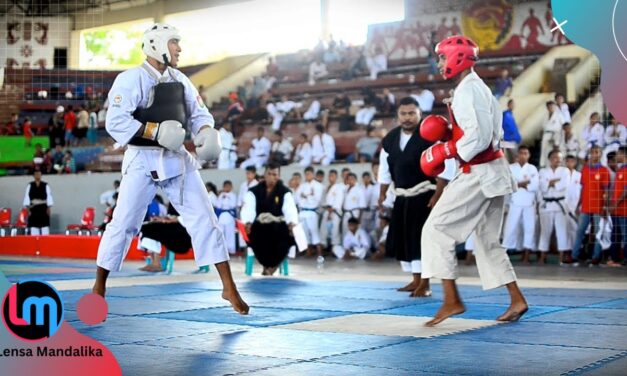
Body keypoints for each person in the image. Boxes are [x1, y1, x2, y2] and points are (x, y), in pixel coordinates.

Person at [92, 23, 248, 315]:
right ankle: (99, 285)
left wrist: (204, 132)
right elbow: (115, 121)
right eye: (175, 42)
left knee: (205, 218)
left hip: (177, 159)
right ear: (156, 44)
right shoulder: (130, 79)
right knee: (123, 224)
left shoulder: (181, 80)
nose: (179, 48)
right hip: (141, 160)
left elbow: (200, 114)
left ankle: (229, 287)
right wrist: (154, 131)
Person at [420, 35, 528, 326]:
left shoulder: (469, 91)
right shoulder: (473, 88)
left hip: (479, 173)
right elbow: (477, 133)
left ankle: (451, 300)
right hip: (491, 172)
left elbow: (478, 139)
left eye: (442, 57)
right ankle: (517, 299)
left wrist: (445, 149)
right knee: (487, 241)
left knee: (435, 229)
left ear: (457, 57)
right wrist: (450, 137)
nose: (440, 63)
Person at [380, 97, 448, 297]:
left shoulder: (431, 136)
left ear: (420, 114)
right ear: (397, 115)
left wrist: (438, 193)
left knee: (421, 240)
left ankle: (425, 283)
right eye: (403, 114)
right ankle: (415, 279)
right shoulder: (390, 139)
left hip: (424, 194)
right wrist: (382, 193)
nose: (407, 118)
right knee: (404, 239)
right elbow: (385, 168)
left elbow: (445, 167)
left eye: (411, 113)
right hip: (401, 195)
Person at [241, 163, 299, 275]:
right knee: (255, 236)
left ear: (279, 176)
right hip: (260, 226)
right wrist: (248, 222)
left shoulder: (284, 191)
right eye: (270, 174)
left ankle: (273, 266)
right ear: (265, 174)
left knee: (288, 236)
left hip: (278, 227)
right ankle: (266, 265)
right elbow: (249, 208)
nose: (272, 177)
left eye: (275, 174)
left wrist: (291, 223)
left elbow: (290, 208)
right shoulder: (254, 191)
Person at [566, 145, 610, 266]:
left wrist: (605, 207)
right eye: (592, 152)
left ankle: (596, 257)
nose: (594, 154)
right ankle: (574, 256)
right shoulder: (585, 169)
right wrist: (578, 204)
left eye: (597, 152)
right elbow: (583, 188)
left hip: (598, 207)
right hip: (585, 207)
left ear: (600, 154)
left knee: (598, 232)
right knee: (580, 231)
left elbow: (606, 191)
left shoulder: (604, 170)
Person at [502, 145, 539, 263]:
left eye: (526, 153)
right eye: (521, 153)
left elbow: (534, 186)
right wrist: (523, 184)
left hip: (529, 203)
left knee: (529, 228)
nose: (523, 155)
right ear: (517, 155)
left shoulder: (532, 168)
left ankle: (526, 256)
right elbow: (509, 184)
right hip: (515, 202)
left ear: (529, 155)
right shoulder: (511, 168)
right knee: (510, 228)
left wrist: (518, 184)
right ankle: (504, 256)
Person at [538, 150, 571, 264]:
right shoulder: (543, 171)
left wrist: (550, 182)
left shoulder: (565, 171)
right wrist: (553, 182)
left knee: (561, 231)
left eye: (560, 158)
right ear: (550, 158)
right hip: (546, 204)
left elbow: (564, 185)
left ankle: (561, 257)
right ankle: (543, 256)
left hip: (559, 204)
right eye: (555, 157)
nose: (558, 160)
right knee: (545, 231)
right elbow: (542, 186)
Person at [295, 166, 325, 258]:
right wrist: (307, 196)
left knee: (314, 231)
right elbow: (297, 198)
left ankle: (320, 252)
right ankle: (308, 251)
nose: (307, 175)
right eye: (306, 174)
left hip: (312, 211)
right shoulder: (302, 186)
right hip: (303, 210)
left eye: (309, 174)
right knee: (304, 232)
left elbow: (317, 199)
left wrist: (306, 196)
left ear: (313, 174)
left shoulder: (318, 186)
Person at [608, 146, 627, 267]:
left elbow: (625, 191)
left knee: (625, 236)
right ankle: (615, 259)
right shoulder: (620, 170)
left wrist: (614, 204)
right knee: (615, 236)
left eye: (618, 154)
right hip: (616, 210)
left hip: (624, 210)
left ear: (624, 154)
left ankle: (625, 259)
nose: (617, 156)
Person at [319, 169, 345, 252]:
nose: (331, 178)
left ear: (336, 177)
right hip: (327, 211)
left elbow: (338, 201)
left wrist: (332, 210)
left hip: (335, 212)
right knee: (323, 231)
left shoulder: (339, 187)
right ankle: (324, 248)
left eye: (333, 176)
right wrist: (327, 209)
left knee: (335, 231)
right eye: (330, 176)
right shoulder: (326, 188)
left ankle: (335, 249)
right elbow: (323, 201)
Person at [23, 170, 54, 235]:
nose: (38, 176)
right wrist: (28, 208)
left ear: (41, 175)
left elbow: (49, 196)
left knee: (44, 227)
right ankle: (35, 242)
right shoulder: (30, 185)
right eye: (36, 174)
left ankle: (45, 242)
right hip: (33, 208)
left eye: (39, 174)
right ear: (33, 176)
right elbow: (27, 196)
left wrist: (49, 208)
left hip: (43, 208)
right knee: (34, 227)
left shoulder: (45, 185)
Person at [215, 181, 238, 255]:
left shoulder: (233, 195)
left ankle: (231, 250)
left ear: (231, 187)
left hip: (230, 215)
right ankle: (222, 251)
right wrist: (222, 197)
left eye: (228, 186)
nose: (227, 188)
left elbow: (233, 205)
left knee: (230, 234)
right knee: (221, 233)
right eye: (225, 186)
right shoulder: (221, 195)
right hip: (222, 216)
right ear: (223, 187)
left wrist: (228, 197)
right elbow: (218, 205)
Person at [540, 101, 565, 168]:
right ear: (547, 108)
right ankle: (545, 166)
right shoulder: (545, 116)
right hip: (546, 135)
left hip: (556, 135)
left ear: (555, 107)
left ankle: (557, 166)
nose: (550, 108)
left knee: (555, 151)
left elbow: (563, 126)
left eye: (552, 106)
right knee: (545, 151)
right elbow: (543, 127)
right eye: (549, 107)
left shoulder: (559, 115)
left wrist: (559, 139)